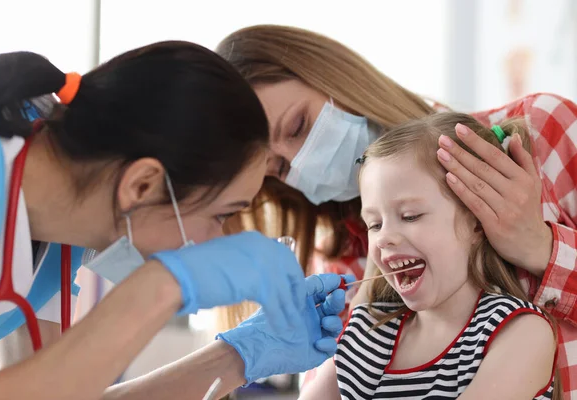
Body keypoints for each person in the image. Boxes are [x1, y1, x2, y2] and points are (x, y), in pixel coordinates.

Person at [216, 24, 577, 396]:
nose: (300, 162)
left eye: (297, 126)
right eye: (279, 168)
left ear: (334, 75)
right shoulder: (343, 278)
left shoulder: (545, 132)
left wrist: (540, 248)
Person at [0, 43, 353, 400]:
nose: (215, 241)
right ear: (142, 185)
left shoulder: (61, 239)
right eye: (220, 215)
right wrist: (164, 283)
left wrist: (239, 356)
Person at [300, 112, 559, 400]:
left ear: (476, 220)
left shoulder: (521, 334)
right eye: (374, 224)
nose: (384, 237)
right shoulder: (368, 330)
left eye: (410, 216)